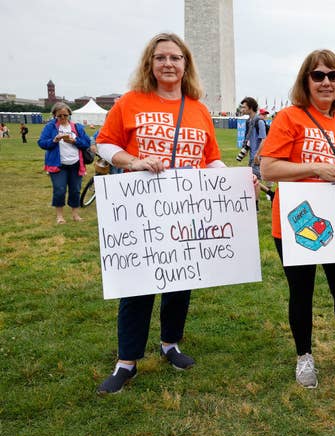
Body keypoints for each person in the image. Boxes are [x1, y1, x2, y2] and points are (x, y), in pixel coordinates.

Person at [95, 32, 227, 394]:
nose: (168, 64)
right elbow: (105, 143)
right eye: (161, 58)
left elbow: (211, 158)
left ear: (186, 65)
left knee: (180, 280)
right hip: (142, 207)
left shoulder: (198, 108)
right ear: (149, 64)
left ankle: (170, 344)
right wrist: (134, 161)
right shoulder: (131, 101)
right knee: (137, 285)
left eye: (175, 58)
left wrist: (233, 179)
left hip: (186, 208)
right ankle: (127, 361)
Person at [260, 49, 335, 389]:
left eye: (333, 75)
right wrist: (316, 168)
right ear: (306, 80)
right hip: (295, 225)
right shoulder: (289, 117)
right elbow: (268, 167)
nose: (326, 82)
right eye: (318, 75)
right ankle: (304, 356)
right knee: (302, 292)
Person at [37, 102, 91, 224]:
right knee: (60, 189)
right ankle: (60, 216)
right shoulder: (50, 127)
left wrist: (74, 141)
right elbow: (42, 143)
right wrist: (54, 140)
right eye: (59, 116)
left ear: (69, 115)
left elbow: (86, 143)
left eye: (65, 115)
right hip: (58, 164)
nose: (62, 118)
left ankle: (75, 215)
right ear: (54, 115)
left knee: (75, 190)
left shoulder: (77, 127)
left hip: (76, 164)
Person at [239, 97, 275, 206]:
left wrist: (258, 154)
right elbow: (250, 139)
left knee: (253, 180)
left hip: (259, 156)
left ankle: (255, 206)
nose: (242, 109)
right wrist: (245, 152)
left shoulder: (259, 121)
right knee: (253, 179)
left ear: (250, 108)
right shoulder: (248, 122)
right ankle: (270, 193)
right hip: (252, 155)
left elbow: (264, 139)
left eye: (244, 107)